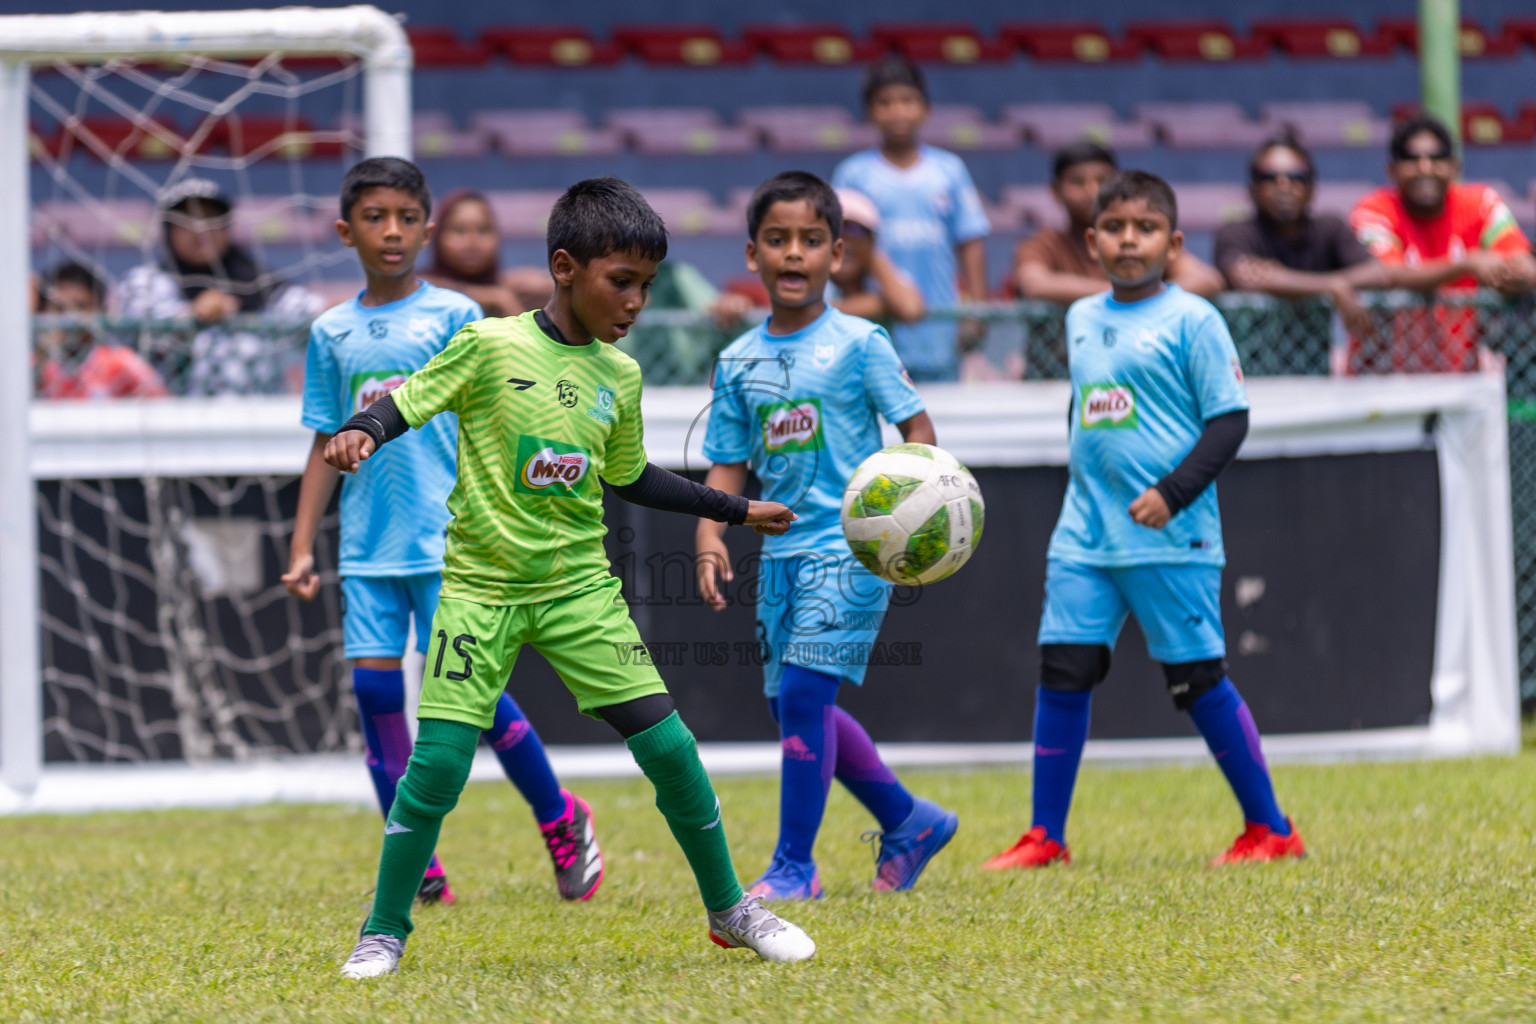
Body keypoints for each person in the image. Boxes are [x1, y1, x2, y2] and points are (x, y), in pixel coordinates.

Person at [325, 177, 815, 978]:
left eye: (647, 286)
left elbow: (632, 477)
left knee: (671, 747)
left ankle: (731, 909)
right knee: (439, 766)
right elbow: (405, 402)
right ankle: (383, 931)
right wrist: (360, 431)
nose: (636, 302)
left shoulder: (618, 377)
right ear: (563, 266)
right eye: (620, 282)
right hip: (479, 593)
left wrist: (735, 510)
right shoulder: (489, 346)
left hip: (579, 594)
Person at [282, 158, 601, 908]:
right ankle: (416, 859)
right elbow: (324, 441)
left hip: (454, 545)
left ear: (425, 228)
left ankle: (561, 818)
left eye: (404, 217)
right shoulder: (331, 332)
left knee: (475, 701)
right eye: (373, 217)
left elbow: (497, 421)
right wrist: (302, 544)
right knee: (374, 697)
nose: (390, 232)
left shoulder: (456, 317)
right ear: (344, 230)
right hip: (367, 549)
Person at [984, 171, 1304, 872]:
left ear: (1173, 241)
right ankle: (1046, 836)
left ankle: (1271, 827)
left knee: (1198, 679)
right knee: (1062, 670)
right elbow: (1086, 413)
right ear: (1092, 241)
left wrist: (1173, 492)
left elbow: (1229, 422)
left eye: (1146, 228)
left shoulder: (1194, 319)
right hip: (1084, 535)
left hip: (1171, 534)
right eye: (1116, 228)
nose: (1130, 240)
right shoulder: (1080, 317)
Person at [696, 171, 956, 901]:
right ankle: (912, 821)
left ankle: (793, 867)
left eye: (811, 240)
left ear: (838, 255)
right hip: (779, 556)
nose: (793, 253)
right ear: (753, 254)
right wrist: (711, 537)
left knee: (808, 696)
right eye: (777, 239)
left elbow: (917, 426)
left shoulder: (860, 343)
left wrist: (921, 506)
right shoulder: (738, 360)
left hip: (849, 553)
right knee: (794, 708)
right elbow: (727, 462)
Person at [1218, 133, 1508, 341]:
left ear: (1312, 188)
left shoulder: (1328, 228)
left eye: (1296, 177)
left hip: (1315, 372)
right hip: (1248, 370)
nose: (1284, 186)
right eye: (1270, 177)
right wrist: (1333, 285)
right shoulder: (1234, 232)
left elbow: (1379, 274)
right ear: (1252, 189)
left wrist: (1293, 280)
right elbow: (1244, 277)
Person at [832, 55, 990, 381]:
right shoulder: (853, 174)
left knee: (935, 422)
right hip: (872, 325)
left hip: (939, 324)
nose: (897, 111)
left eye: (907, 101)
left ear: (925, 108)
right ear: (869, 112)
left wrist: (975, 310)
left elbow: (970, 241)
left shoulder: (949, 170)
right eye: (885, 103)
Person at [1349, 113, 1536, 372]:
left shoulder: (1482, 204)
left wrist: (1521, 274)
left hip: (1460, 376)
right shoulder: (1373, 211)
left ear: (1455, 167)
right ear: (1391, 169)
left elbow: (1518, 258)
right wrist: (1467, 264)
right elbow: (1386, 274)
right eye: (1411, 159)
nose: (1425, 168)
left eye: (1436, 158)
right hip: (1383, 377)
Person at [117, 178, 321, 394]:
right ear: (168, 230)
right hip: (172, 416)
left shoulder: (259, 279)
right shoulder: (146, 280)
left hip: (259, 414)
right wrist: (190, 314)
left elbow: (305, 308)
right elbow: (137, 326)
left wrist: (335, 310)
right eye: (186, 220)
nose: (200, 229)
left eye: (210, 218)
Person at [1014, 142, 1223, 304]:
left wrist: (1138, 298)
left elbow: (1207, 279)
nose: (1091, 191)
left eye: (1102, 181)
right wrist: (1130, 295)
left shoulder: (1142, 241)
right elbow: (1036, 284)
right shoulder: (1042, 243)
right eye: (1077, 182)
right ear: (1056, 191)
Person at [34, 261, 166, 399]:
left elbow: (161, 401)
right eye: (59, 309)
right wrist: (42, 358)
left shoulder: (119, 363)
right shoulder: (30, 363)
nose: (70, 319)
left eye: (81, 307)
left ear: (100, 311)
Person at [421, 189, 553, 317]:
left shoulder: (519, 290)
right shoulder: (418, 292)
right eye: (459, 231)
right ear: (436, 236)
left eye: (483, 230)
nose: (472, 242)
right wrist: (493, 298)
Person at [828, 187, 926, 324]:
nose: (844, 239)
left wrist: (874, 255)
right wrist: (877, 304)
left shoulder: (879, 281)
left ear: (872, 240)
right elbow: (809, 313)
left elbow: (910, 308)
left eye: (856, 230)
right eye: (835, 229)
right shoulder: (812, 278)